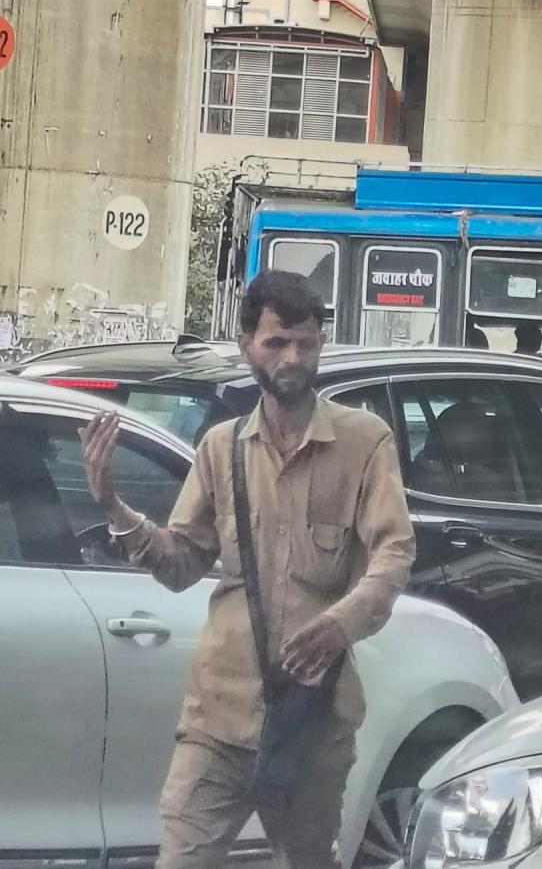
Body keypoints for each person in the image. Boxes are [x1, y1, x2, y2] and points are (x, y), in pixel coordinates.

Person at [79, 271, 416, 869]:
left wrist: (340, 625)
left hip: (313, 722)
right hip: (219, 718)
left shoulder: (365, 442)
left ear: (321, 344)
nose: (293, 359)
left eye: (306, 343)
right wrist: (113, 506)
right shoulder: (221, 447)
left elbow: (394, 553)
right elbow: (181, 564)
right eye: (277, 342)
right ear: (246, 346)